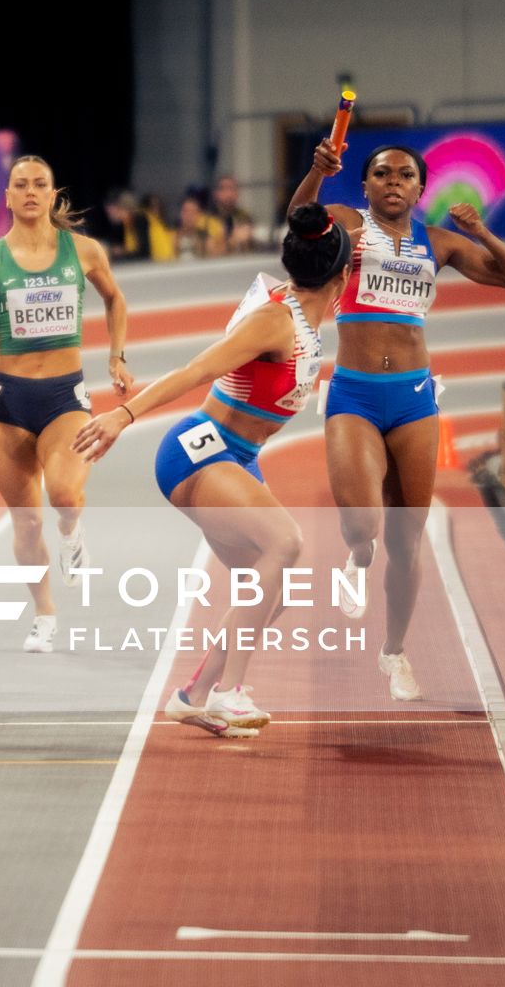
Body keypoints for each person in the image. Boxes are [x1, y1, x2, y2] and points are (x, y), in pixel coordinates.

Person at [75, 204, 351, 735]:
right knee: (286, 543)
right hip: (199, 449)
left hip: (238, 458)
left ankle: (193, 694)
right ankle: (230, 693)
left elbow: (306, 218)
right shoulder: (274, 319)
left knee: (275, 589)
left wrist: (318, 183)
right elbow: (196, 369)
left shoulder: (304, 315)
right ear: (343, 275)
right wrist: (123, 415)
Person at [291, 141, 505, 702]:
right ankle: (355, 557)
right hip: (353, 393)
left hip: (415, 399)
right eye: (381, 174)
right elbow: (299, 220)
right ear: (367, 185)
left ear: (421, 188)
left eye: (405, 175)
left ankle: (394, 652)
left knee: (407, 539)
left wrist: (482, 233)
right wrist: (316, 173)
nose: (393, 181)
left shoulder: (440, 243)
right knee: (362, 527)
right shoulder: (348, 224)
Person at [0, 155, 131, 654]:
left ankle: (73, 534)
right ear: (7, 196)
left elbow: (115, 300)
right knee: (25, 521)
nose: (30, 192)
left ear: (53, 195)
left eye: (40, 184)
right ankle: (45, 614)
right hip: (9, 401)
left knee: (64, 496)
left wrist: (117, 358)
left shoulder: (84, 250)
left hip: (64, 397)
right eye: (20, 185)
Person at [211, 174, 256, 253]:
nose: (229, 194)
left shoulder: (244, 216)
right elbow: (209, 250)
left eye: (232, 188)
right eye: (224, 189)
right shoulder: (206, 220)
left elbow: (252, 246)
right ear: (216, 194)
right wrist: (233, 242)